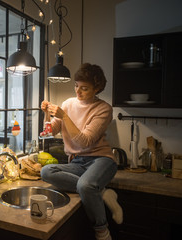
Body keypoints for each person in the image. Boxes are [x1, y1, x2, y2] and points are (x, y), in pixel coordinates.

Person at [41, 63, 123, 240]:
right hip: (76, 162)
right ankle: (102, 192)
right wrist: (47, 113)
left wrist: (64, 116)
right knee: (46, 171)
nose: (78, 92)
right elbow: (50, 131)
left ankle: (102, 231)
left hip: (101, 160)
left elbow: (85, 142)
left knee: (85, 185)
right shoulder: (68, 103)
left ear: (97, 88)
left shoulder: (104, 109)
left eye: (84, 88)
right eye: (76, 86)